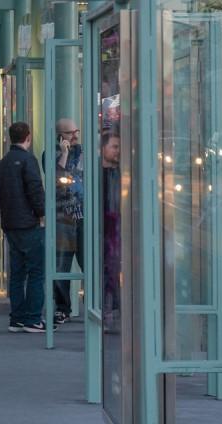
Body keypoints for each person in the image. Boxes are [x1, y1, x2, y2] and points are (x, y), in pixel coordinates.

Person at [0, 122, 50, 333]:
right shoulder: (29, 160)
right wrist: (42, 213)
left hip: (10, 224)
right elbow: (35, 189)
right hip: (29, 223)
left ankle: (16, 318)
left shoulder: (3, 162)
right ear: (28, 136)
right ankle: (33, 318)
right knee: (36, 272)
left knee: (17, 273)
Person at [48, 118, 84, 325]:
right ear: (61, 136)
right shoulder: (52, 155)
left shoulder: (83, 153)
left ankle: (94, 303)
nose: (75, 136)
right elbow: (55, 179)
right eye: (71, 133)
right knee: (61, 265)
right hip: (63, 218)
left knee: (89, 262)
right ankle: (63, 308)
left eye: (76, 131)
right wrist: (64, 154)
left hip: (84, 216)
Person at [101, 132, 121, 330]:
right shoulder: (97, 173)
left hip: (116, 231)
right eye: (114, 146)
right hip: (102, 231)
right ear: (103, 148)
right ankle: (108, 312)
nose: (118, 151)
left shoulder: (122, 174)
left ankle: (113, 311)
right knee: (106, 272)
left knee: (113, 271)